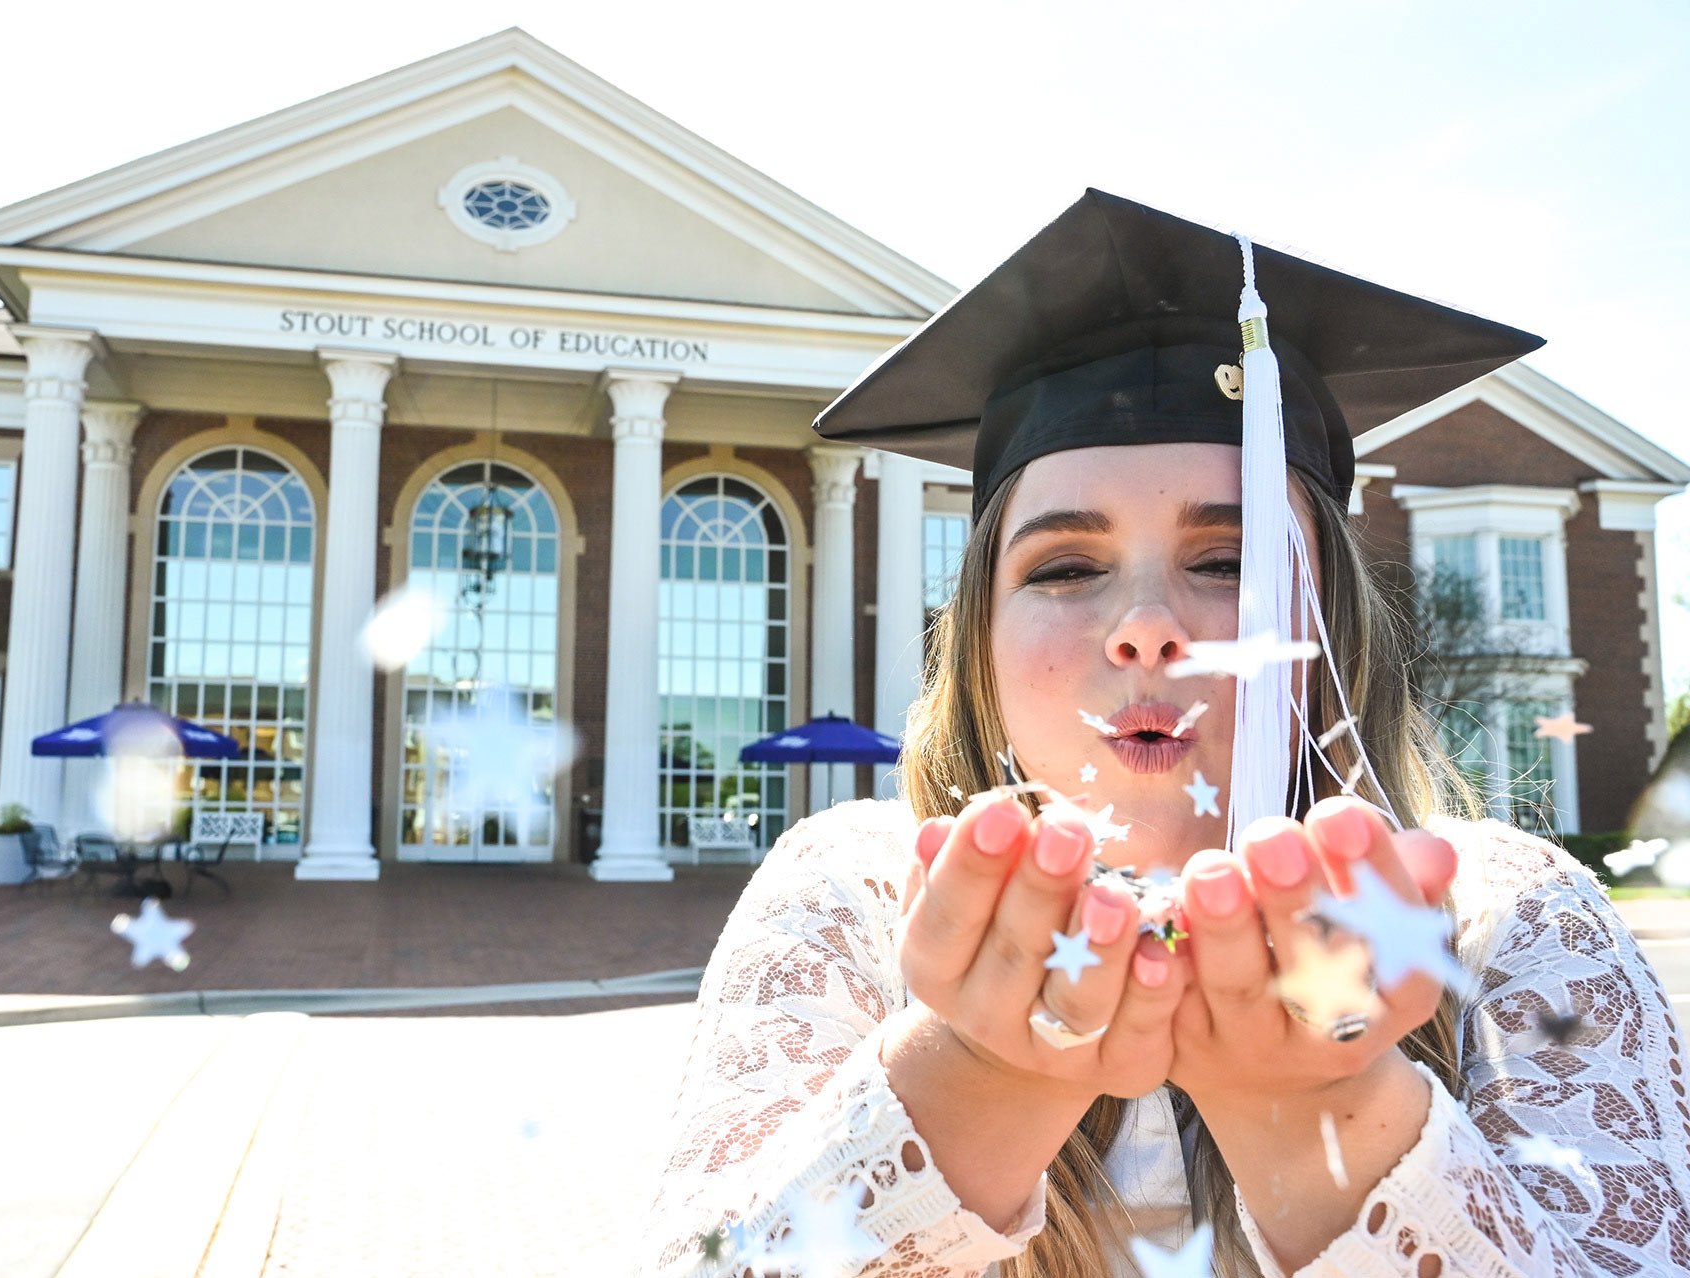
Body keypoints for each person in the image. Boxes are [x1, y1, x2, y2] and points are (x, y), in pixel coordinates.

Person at [635, 191, 1690, 1277]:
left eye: (1228, 563)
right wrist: (971, 1075)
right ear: (982, 645)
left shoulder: (1494, 917)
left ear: (1327, 624)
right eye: (1065, 568)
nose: (1144, 629)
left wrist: (1330, 1120)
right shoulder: (859, 900)